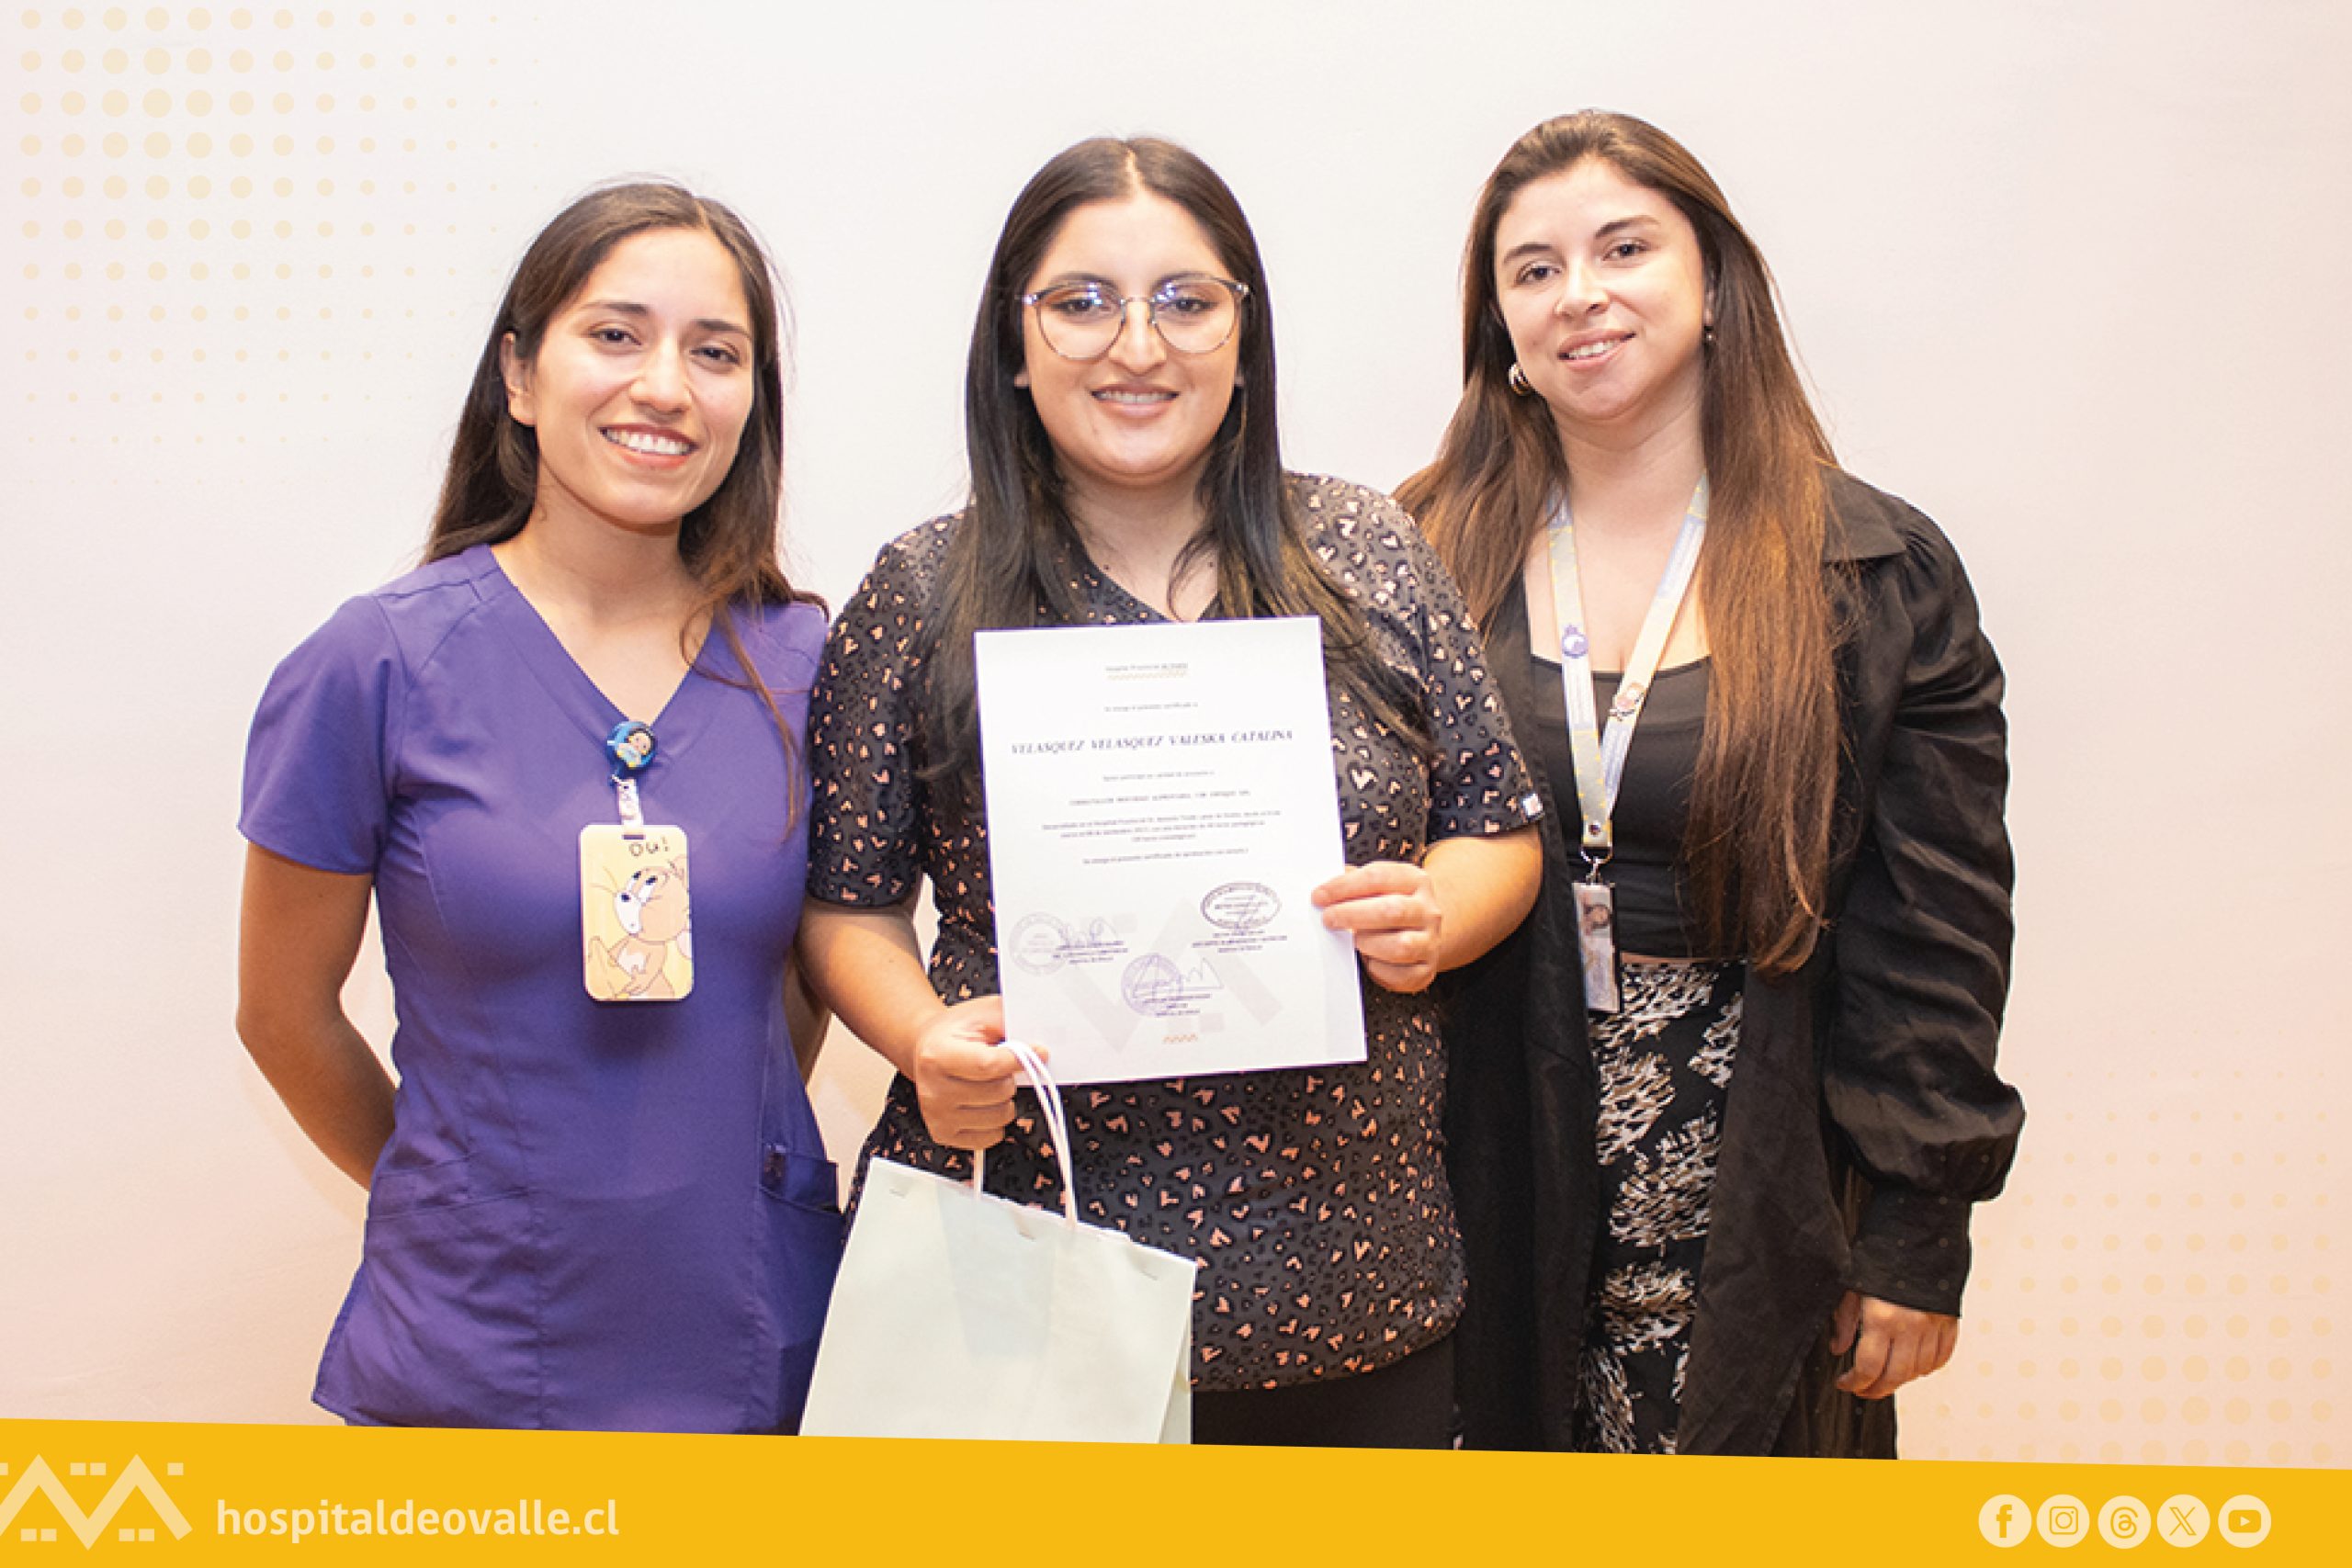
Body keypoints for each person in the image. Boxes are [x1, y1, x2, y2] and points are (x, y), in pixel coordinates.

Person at [798, 137, 1544, 1449]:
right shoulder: (921, 591)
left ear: (1244, 342)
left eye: (1187, 301)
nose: (1136, 345)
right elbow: (845, 905)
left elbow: (1497, 826)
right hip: (1021, 1281)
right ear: (1015, 343)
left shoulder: (1368, 548)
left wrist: (1439, 914)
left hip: (1347, 1280)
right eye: (1081, 302)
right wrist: (920, 1041)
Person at [1399, 111, 2024, 1456]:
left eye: (1624, 249)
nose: (1580, 295)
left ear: (1715, 284)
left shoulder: (1871, 571)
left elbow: (1937, 929)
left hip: (1755, 1188)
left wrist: (1917, 1231)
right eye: (1534, 269)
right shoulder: (1409, 556)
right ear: (1500, 324)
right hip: (1478, 1164)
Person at [235, 183, 842, 1431]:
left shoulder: (808, 665)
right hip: (473, 1351)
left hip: (751, 1338)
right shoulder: (375, 665)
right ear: (519, 373)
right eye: (615, 334)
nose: (665, 386)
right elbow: (282, 1014)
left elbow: (808, 977)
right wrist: (461, 1197)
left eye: (715, 352)